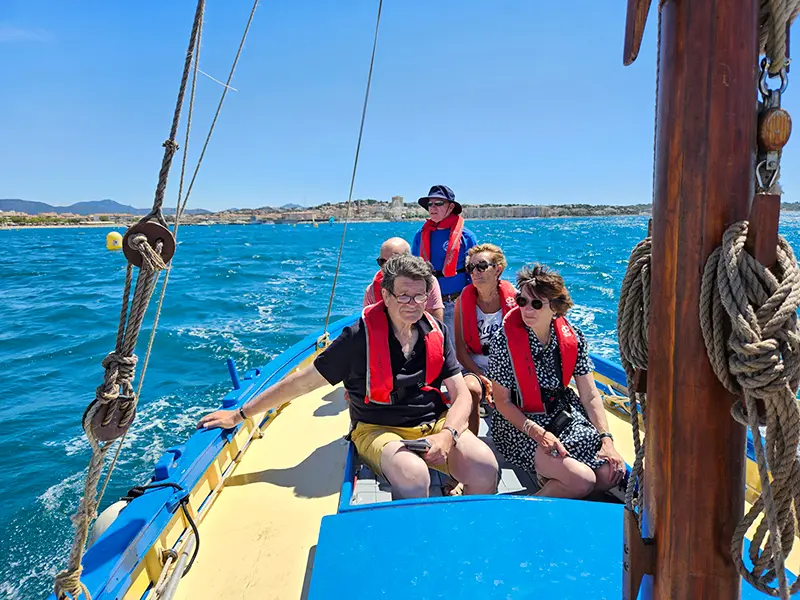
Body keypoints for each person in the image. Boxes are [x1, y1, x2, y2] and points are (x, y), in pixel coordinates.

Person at [198, 254, 499, 499]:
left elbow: (460, 395)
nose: (413, 306)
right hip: (377, 428)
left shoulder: (436, 331)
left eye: (420, 297)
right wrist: (240, 415)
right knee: (413, 475)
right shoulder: (358, 338)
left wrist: (448, 435)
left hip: (432, 423)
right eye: (404, 296)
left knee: (485, 467)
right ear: (385, 295)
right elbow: (302, 382)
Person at [486, 264, 626, 499]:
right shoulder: (503, 341)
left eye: (537, 304)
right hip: (520, 424)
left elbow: (590, 395)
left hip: (563, 417)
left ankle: (553, 478)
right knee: (582, 481)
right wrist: (538, 433)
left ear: (556, 308)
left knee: (608, 475)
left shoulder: (574, 338)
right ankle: (529, 509)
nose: (527, 309)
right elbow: (502, 401)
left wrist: (606, 440)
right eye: (522, 302)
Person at [453, 244, 517, 435]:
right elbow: (461, 351)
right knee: (470, 388)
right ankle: (472, 443)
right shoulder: (462, 303)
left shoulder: (517, 301)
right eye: (471, 268)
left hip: (509, 370)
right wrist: (483, 377)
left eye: (481, 266)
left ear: (498, 269)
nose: (475, 272)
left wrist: (500, 380)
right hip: (476, 369)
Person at [412, 185, 477, 341]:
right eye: (430, 204)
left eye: (438, 203)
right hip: (425, 303)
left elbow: (474, 272)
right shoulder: (420, 236)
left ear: (451, 206)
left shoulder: (466, 237)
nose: (433, 207)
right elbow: (412, 269)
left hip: (454, 303)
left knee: (453, 350)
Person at [363, 237, 444, 322]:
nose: (386, 266)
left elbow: (436, 321)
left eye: (393, 261)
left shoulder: (426, 283)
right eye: (382, 261)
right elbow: (368, 323)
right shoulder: (371, 291)